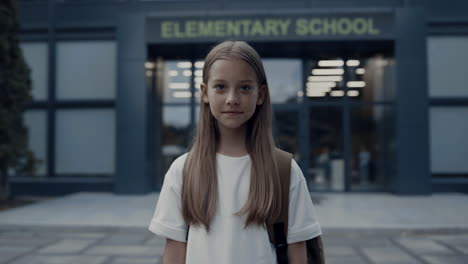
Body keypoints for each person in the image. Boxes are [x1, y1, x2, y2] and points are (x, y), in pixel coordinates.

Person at [148, 40, 322, 264]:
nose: (232, 98)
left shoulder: (284, 170)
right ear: (205, 93)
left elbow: (297, 251)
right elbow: (174, 252)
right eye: (220, 86)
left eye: (245, 87)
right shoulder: (182, 170)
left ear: (260, 95)